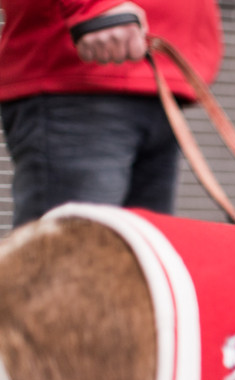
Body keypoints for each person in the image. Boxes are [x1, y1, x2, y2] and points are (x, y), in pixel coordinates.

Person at [0, 0, 223, 227]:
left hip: (162, 83)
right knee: (69, 245)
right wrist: (91, 5)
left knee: (140, 245)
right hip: (77, 77)